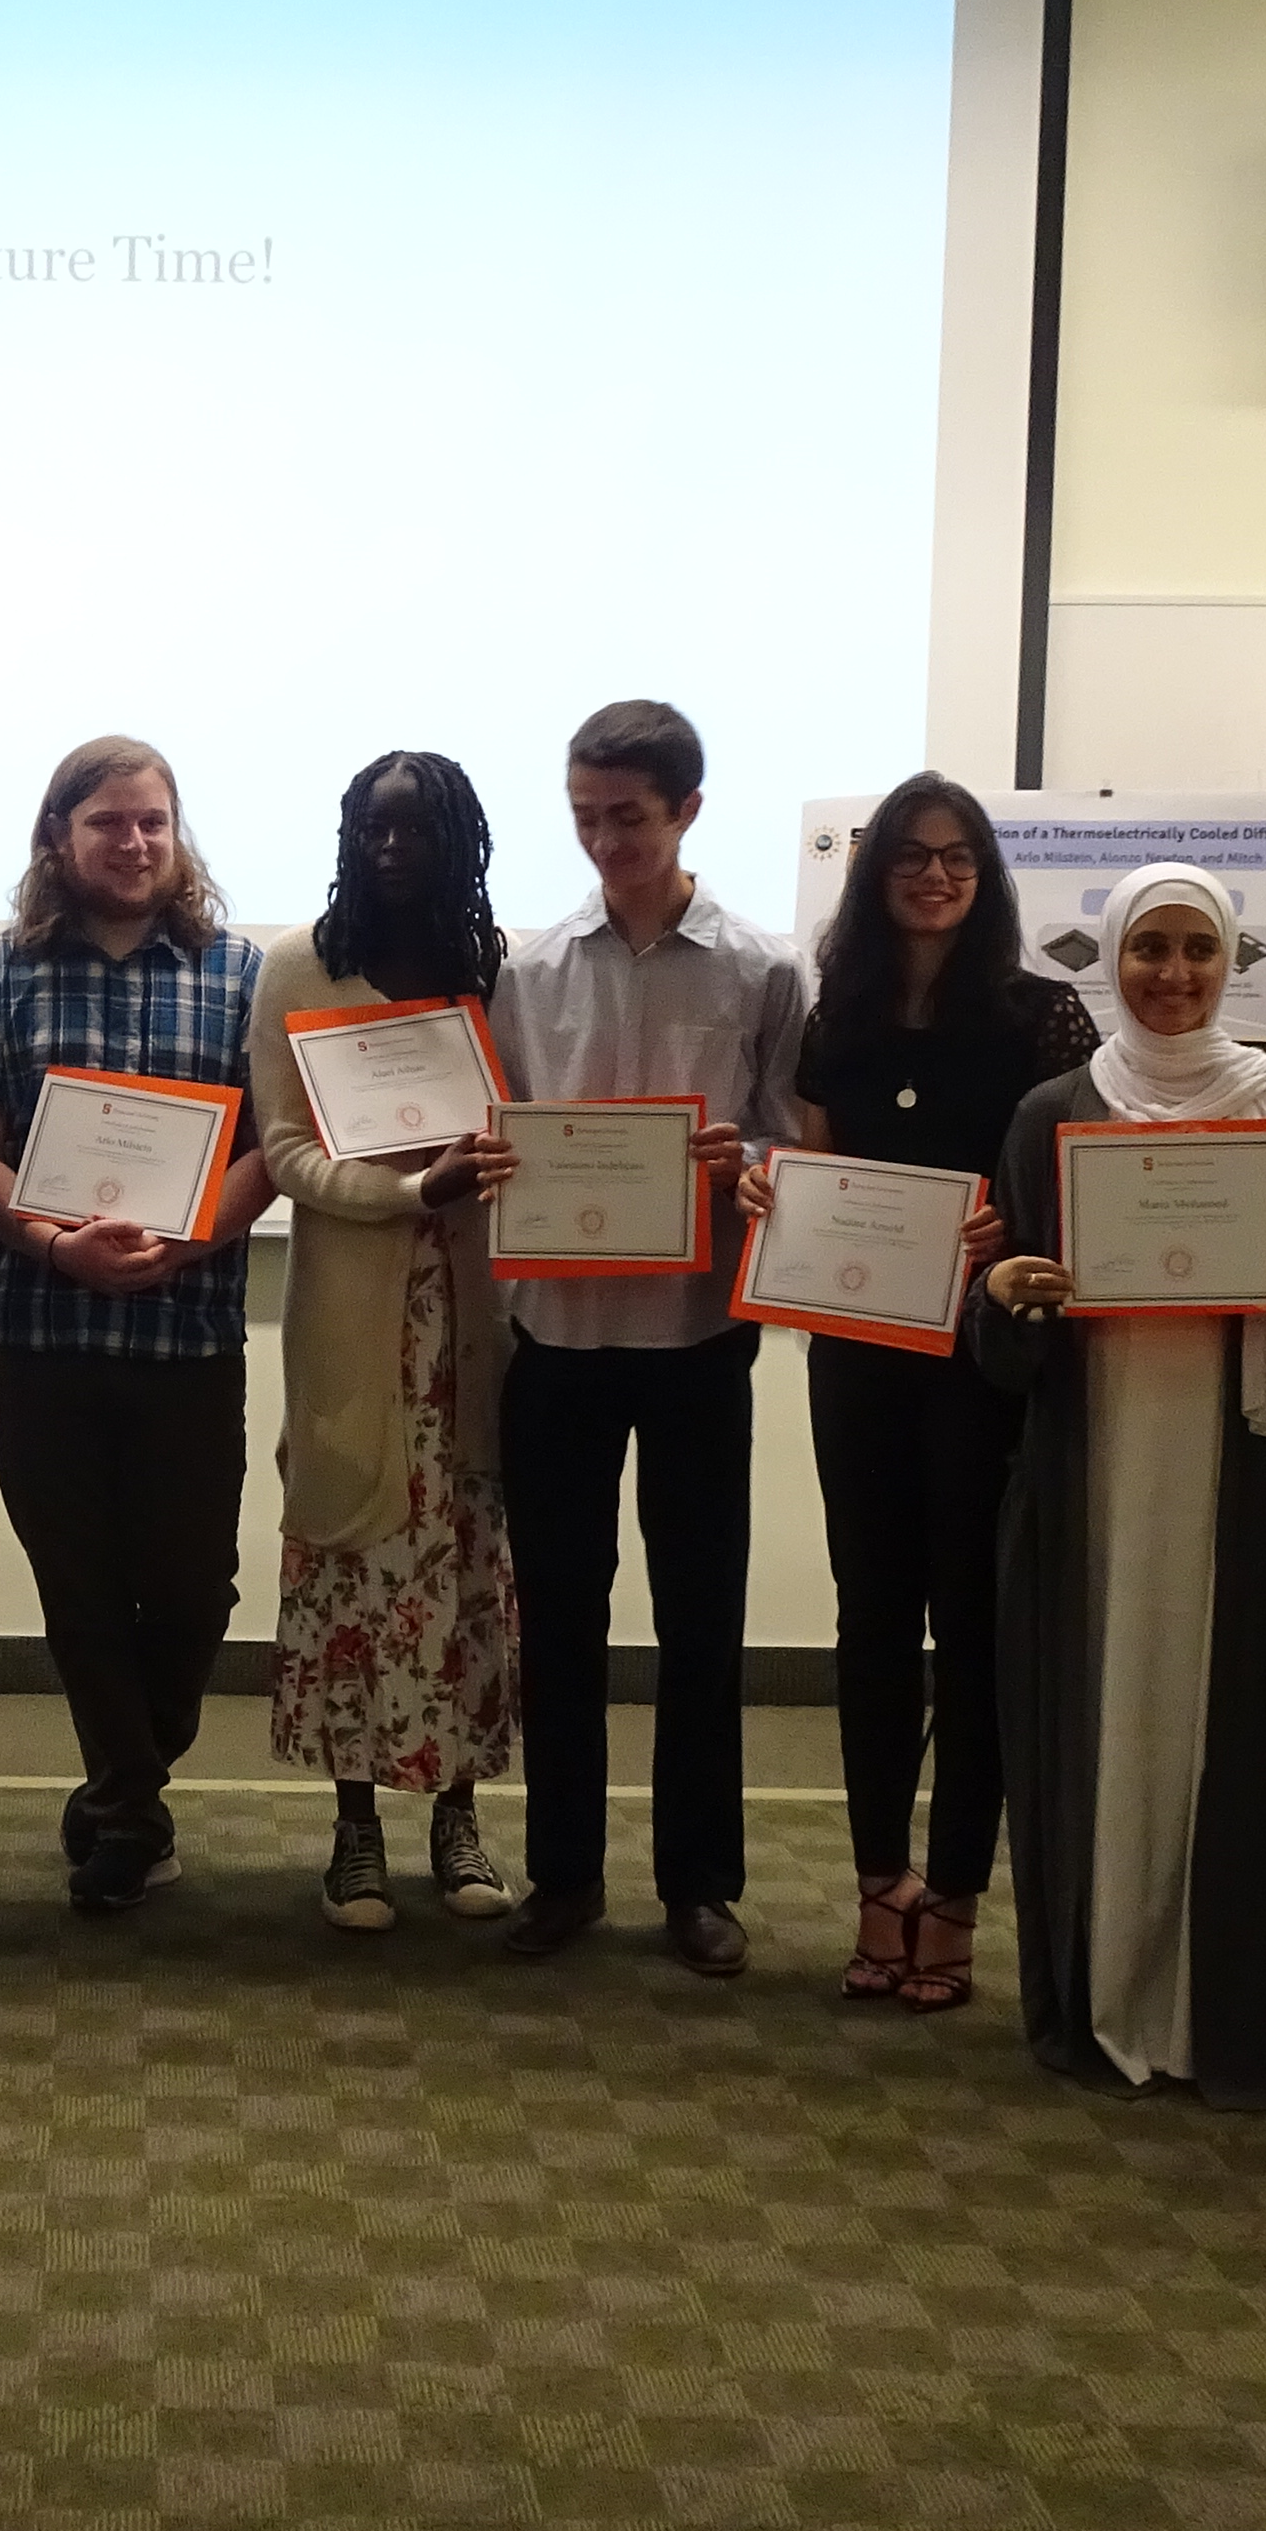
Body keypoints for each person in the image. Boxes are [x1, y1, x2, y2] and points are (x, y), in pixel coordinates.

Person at [971, 863, 1266, 2108]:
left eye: (1197, 951)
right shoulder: (1053, 1106)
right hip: (1096, 1466)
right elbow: (1000, 1326)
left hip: (1244, 1469)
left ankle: (1218, 2003)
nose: (1171, 974)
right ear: (1108, 958)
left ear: (1231, 963)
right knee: (1107, 1708)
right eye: (1148, 948)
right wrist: (1003, 1299)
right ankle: (1108, 1985)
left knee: (1231, 1724)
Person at [489, 701, 801, 1976]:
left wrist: (755, 1161)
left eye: (628, 816)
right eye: (584, 817)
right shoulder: (526, 966)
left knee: (698, 1617)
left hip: (693, 1334)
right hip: (554, 1334)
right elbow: (495, 1128)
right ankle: (562, 1875)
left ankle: (700, 1883)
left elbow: (796, 1139)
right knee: (557, 1614)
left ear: (688, 812)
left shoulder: (764, 969)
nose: (605, 840)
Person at [777, 771, 1096, 2014]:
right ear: (875, 875)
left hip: (980, 1356)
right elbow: (812, 1163)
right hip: (857, 1349)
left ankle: (956, 1895)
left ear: (987, 874)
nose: (935, 876)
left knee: (971, 1627)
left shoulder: (1038, 1017)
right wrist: (774, 1203)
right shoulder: (837, 1014)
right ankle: (878, 1885)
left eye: (959, 856)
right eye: (911, 856)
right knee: (871, 1622)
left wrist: (1011, 1230)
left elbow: (1065, 1193)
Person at [0, 738, 279, 1914]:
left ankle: (118, 1794)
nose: (133, 842)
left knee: (197, 1590)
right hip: (41, 1333)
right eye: (106, 823)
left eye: (152, 821)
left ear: (176, 832)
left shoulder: (244, 973)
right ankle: (133, 1809)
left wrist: (184, 1245)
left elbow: (267, 1152)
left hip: (190, 1334)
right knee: (80, 1588)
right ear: (59, 838)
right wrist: (57, 1245)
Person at [246, 753, 522, 1933]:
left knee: (464, 1566)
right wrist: (415, 1190)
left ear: (462, 836)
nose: (392, 849)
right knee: (354, 1558)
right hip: (356, 1315)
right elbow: (288, 1153)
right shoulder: (302, 968)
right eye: (372, 828)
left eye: (416, 829)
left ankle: (455, 1816)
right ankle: (355, 1830)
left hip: (474, 1320)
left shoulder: (502, 970)